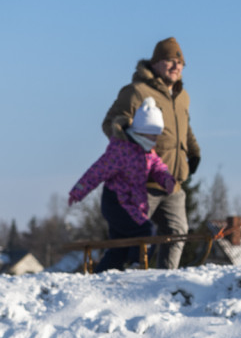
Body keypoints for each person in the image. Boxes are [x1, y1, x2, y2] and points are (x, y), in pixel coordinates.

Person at [102, 37, 200, 269]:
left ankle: (166, 279)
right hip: (142, 182)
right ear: (155, 63)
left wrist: (194, 152)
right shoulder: (137, 92)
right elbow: (109, 123)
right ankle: (119, 277)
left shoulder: (182, 96)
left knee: (177, 233)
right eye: (169, 60)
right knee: (133, 239)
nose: (176, 66)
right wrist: (125, 132)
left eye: (180, 62)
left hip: (172, 183)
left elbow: (185, 128)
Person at [69, 98, 178, 273]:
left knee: (119, 245)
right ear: (142, 132)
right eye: (153, 135)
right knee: (145, 230)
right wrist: (78, 191)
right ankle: (138, 264)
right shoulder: (121, 150)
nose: (156, 139)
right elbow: (97, 171)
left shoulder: (147, 151)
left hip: (132, 203)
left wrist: (166, 179)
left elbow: (158, 167)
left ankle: (103, 273)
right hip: (116, 202)